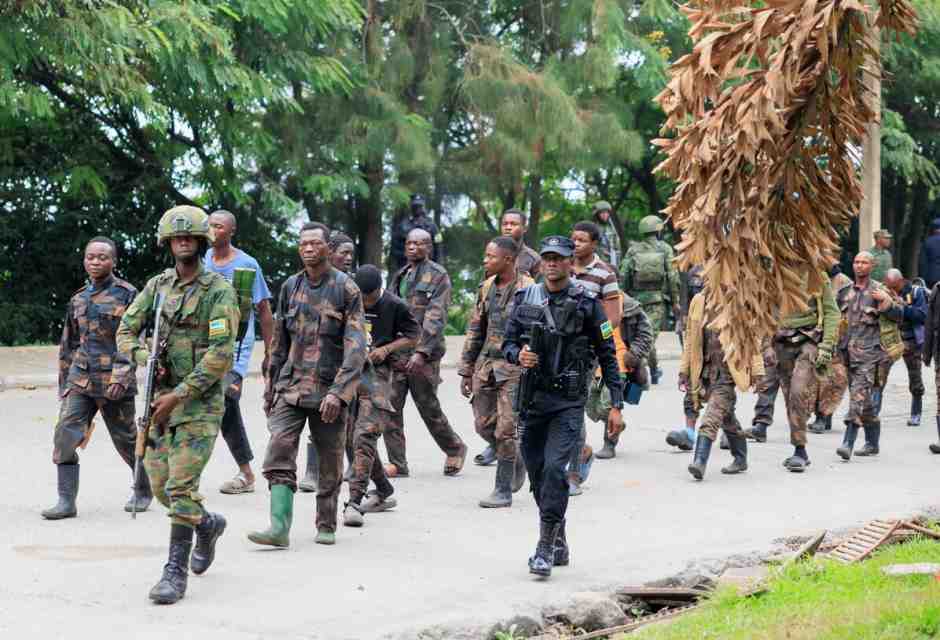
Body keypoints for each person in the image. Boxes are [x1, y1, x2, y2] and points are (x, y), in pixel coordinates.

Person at [116, 205, 238, 605]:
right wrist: (141, 358)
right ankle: (207, 524)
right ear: (167, 242)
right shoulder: (159, 286)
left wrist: (180, 394)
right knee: (164, 491)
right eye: (176, 236)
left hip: (198, 405)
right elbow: (126, 329)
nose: (183, 241)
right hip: (158, 399)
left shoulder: (218, 290)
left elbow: (221, 354)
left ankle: (174, 573)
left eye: (190, 236)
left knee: (181, 487)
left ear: (202, 241)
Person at [501, 235, 624, 578]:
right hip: (532, 400)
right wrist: (518, 355)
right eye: (547, 258)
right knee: (539, 475)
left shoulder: (587, 303)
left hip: (567, 402)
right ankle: (558, 535)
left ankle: (543, 547)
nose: (552, 263)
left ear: (571, 262)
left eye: (559, 258)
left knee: (556, 470)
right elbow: (508, 343)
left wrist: (616, 403)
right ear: (541, 263)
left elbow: (607, 353)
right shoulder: (527, 297)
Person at [247, 222, 367, 548]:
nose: (308, 249)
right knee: (279, 450)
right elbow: (279, 342)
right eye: (303, 244)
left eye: (315, 243)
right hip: (291, 387)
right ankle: (279, 527)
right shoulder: (290, 286)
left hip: (329, 391)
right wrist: (271, 387)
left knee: (329, 461)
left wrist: (339, 394)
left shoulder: (347, 289)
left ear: (328, 247)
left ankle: (326, 524)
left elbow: (356, 347)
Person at [42, 236, 148, 520]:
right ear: (84, 260)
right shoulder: (78, 298)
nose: (96, 261)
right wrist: (65, 386)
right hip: (81, 379)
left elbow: (133, 340)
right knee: (65, 432)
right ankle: (66, 501)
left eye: (102, 257)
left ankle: (143, 488)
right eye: (91, 257)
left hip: (114, 381)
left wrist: (122, 376)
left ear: (113, 261)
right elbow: (69, 345)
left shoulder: (128, 294)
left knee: (126, 439)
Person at [386, 228, 468, 477]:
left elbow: (436, 316)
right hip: (399, 352)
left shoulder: (438, 275)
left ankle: (455, 449)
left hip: (424, 355)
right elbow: (390, 310)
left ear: (429, 247)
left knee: (428, 407)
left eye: (419, 244)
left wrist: (421, 353)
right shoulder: (400, 274)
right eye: (410, 243)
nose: (413, 247)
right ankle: (398, 464)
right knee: (390, 408)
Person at [204, 210, 274, 496]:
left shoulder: (247, 264)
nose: (212, 230)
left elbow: (264, 311)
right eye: (209, 225)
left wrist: (270, 352)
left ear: (230, 231)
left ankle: (246, 474)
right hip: (204, 345)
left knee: (228, 402)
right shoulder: (202, 261)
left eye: (218, 226)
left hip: (236, 349)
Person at [459, 237, 533, 508]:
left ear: (509, 260)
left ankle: (503, 490)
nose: (485, 261)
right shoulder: (487, 287)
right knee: (483, 424)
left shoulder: (530, 289)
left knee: (506, 430)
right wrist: (466, 370)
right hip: (487, 367)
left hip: (515, 368)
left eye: (491, 257)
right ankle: (517, 457)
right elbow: (475, 329)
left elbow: (538, 332)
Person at [343, 265, 419, 526]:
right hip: (349, 371)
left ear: (379, 289)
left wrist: (387, 349)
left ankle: (353, 501)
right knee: (348, 438)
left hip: (378, 375)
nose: (365, 302)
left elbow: (413, 335)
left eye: (370, 297)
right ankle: (383, 490)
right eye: (362, 297)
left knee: (365, 435)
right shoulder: (349, 298)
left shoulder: (395, 305)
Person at [679, 292, 764, 481]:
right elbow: (690, 340)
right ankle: (740, 457)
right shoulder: (698, 301)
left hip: (727, 375)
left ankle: (699, 462)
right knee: (727, 419)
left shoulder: (738, 299)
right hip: (705, 373)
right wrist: (684, 370)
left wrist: (757, 372)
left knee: (711, 418)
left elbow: (752, 339)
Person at [835, 252, 903, 461]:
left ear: (872, 266)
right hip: (847, 353)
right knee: (865, 403)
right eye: (856, 262)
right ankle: (872, 442)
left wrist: (887, 304)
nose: (859, 265)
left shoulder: (880, 291)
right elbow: (835, 319)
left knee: (857, 397)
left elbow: (900, 315)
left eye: (864, 262)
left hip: (870, 355)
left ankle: (848, 442)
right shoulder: (844, 292)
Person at [569, 221, 622, 486]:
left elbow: (612, 317)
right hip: (555, 350)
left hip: (585, 353)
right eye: (573, 239)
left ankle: (575, 470)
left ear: (594, 244)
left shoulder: (604, 274)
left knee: (575, 407)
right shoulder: (562, 266)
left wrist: (593, 335)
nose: (576, 244)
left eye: (581, 240)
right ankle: (579, 453)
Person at [770, 272, 839, 472]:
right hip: (781, 344)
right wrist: (765, 345)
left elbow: (832, 312)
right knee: (790, 397)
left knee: (798, 391)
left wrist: (826, 345)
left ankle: (799, 450)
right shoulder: (773, 272)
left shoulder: (816, 275)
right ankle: (799, 449)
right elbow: (762, 311)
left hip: (808, 342)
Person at [621, 215, 679, 385]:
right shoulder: (665, 249)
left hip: (635, 301)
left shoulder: (633, 250)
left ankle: (654, 370)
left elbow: (623, 275)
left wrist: (622, 298)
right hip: (656, 301)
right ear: (658, 230)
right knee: (649, 336)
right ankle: (644, 374)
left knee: (644, 336)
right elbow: (673, 277)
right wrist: (675, 301)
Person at [809, 263, 854, 433]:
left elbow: (844, 315)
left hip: (837, 338)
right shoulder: (814, 276)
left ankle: (824, 416)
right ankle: (821, 416)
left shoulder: (842, 283)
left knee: (833, 379)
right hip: (816, 335)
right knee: (815, 378)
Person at [667, 265, 704, 450]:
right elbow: (685, 300)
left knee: (720, 396)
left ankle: (731, 433)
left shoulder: (727, 264)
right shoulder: (690, 271)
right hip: (696, 337)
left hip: (719, 344)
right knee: (691, 386)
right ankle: (689, 433)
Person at [884, 268, 928, 426]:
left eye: (894, 286)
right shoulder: (886, 292)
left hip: (911, 340)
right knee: (879, 372)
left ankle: (916, 412)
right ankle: (872, 410)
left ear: (901, 281)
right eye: (889, 287)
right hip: (892, 339)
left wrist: (903, 307)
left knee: (915, 376)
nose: (891, 290)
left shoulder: (916, 292)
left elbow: (922, 316)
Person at [388, 194, 443, 276]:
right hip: (408, 268)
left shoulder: (432, 226)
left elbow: (438, 247)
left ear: (423, 207)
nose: (417, 209)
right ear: (411, 207)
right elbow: (394, 249)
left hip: (428, 269)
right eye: (415, 206)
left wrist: (438, 267)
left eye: (419, 206)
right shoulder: (402, 226)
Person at [744, 339, 779, 443]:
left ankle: (822, 414)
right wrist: (767, 345)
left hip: (802, 339)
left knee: (797, 392)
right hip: (775, 340)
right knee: (767, 383)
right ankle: (761, 426)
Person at [501, 208, 541, 280]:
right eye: (505, 224)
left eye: (513, 224)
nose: (508, 227)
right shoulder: (493, 255)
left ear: (525, 228)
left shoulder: (534, 259)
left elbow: (539, 288)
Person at [592, 201, 622, 268]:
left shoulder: (611, 227)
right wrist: (601, 251)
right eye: (602, 213)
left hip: (613, 260)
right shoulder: (593, 228)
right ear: (597, 214)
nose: (605, 215)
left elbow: (616, 245)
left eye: (607, 212)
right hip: (599, 262)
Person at [919, 219, 940, 289]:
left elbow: (922, 263)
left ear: (933, 229)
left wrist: (922, 278)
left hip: (931, 278)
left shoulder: (927, 242)